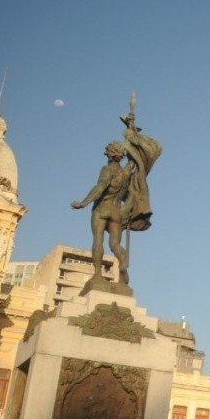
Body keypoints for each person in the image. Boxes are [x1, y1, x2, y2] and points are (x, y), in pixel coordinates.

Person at [71, 99, 161, 286]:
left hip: (102, 209)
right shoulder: (126, 171)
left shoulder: (107, 171)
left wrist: (84, 202)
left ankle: (97, 276)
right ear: (120, 154)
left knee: (98, 241)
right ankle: (123, 264)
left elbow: (100, 188)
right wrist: (131, 132)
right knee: (114, 244)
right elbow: (136, 159)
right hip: (117, 212)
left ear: (108, 154)